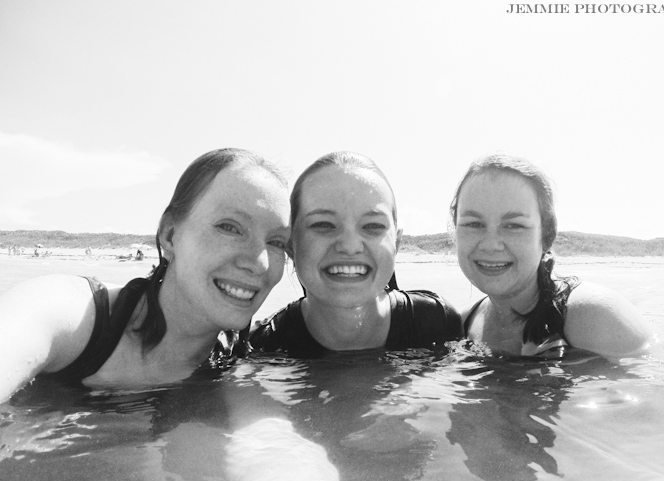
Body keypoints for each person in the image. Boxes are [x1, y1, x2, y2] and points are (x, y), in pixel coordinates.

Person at [0, 147, 291, 403]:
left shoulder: (238, 361)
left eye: (277, 242)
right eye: (229, 227)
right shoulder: (70, 314)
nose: (260, 263)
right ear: (170, 235)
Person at [250, 151, 461, 356]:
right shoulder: (261, 346)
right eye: (323, 224)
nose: (350, 246)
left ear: (396, 243)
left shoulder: (438, 323)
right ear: (290, 245)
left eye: (372, 226)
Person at [449, 153, 656, 359]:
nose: (490, 244)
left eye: (514, 226)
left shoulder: (592, 316)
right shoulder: (462, 324)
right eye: (473, 224)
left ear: (546, 235)